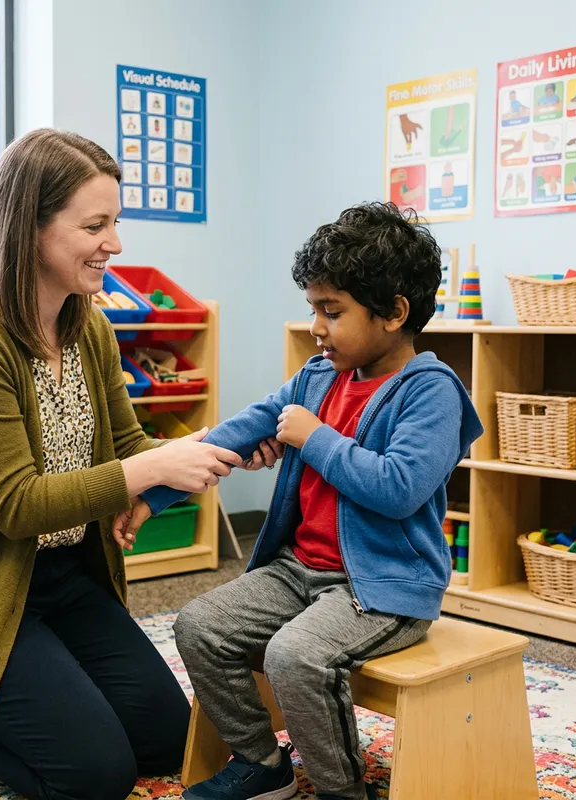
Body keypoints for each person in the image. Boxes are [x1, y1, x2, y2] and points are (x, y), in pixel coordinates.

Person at [0, 128, 257, 800]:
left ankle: (3, 685)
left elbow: (130, 446)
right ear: (30, 228)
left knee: (166, 738)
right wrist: (150, 472)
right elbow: (17, 505)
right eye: (95, 225)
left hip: (64, 576)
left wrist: (216, 449)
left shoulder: (87, 324)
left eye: (117, 222)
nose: (116, 243)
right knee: (94, 776)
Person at [114, 202, 483, 800]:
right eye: (313, 308)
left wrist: (315, 438)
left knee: (295, 656)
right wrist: (152, 494)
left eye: (331, 311)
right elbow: (242, 429)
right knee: (200, 624)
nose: (316, 325)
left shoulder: (433, 393)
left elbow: (399, 488)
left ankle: (343, 790)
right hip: (299, 569)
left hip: (383, 585)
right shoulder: (317, 376)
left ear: (394, 313)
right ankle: (263, 764)